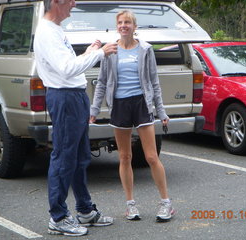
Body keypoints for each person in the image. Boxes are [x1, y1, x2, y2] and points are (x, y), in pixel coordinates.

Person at [33, 0, 118, 236]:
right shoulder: (47, 32)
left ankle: (84, 210)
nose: (74, 3)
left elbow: (67, 65)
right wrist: (100, 53)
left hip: (74, 97)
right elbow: (66, 69)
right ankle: (58, 217)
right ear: (56, 2)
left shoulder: (56, 30)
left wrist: (88, 53)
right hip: (65, 98)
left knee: (80, 157)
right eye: (70, 0)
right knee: (64, 157)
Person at [90, 10, 175, 222]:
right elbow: (101, 82)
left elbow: (154, 82)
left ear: (134, 26)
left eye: (127, 22)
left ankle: (166, 203)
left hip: (141, 104)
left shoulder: (145, 49)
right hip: (119, 105)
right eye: (120, 22)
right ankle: (130, 205)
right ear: (116, 26)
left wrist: (161, 111)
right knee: (125, 156)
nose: (124, 25)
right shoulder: (110, 50)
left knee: (151, 157)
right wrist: (94, 110)